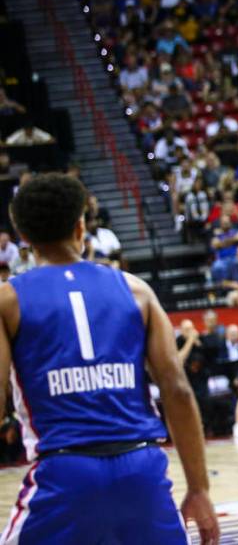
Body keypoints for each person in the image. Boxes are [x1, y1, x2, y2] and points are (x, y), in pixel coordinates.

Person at [0, 173, 218, 543]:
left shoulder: (9, 300)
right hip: (142, 469)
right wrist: (199, 488)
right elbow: (177, 390)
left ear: (23, 237)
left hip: (62, 471)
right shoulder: (137, 291)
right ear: (81, 227)